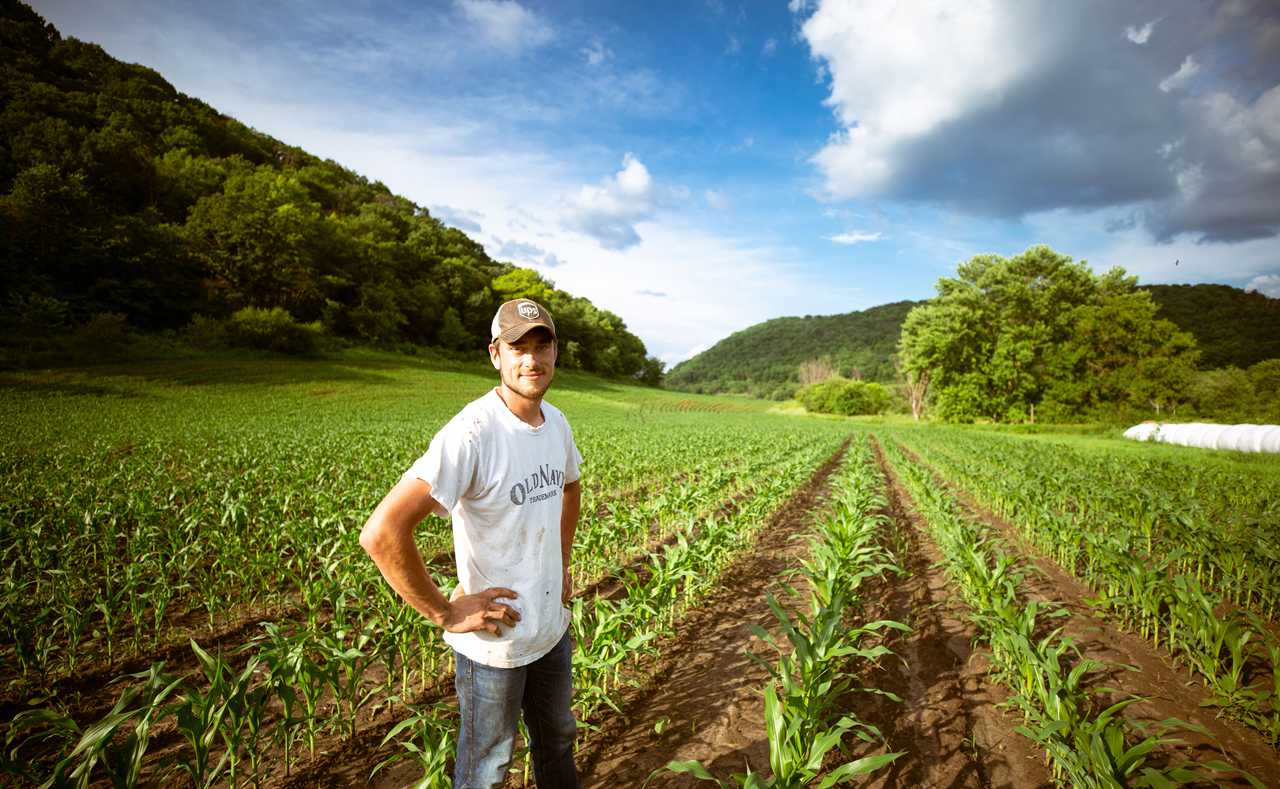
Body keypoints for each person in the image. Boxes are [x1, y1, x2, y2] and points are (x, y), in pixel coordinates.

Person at [360, 298, 582, 789]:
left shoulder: (557, 424)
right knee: (487, 769)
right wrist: (445, 612)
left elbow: (570, 487)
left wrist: (560, 563)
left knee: (558, 742)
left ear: (555, 351)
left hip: (550, 630)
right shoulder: (473, 433)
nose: (531, 359)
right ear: (495, 354)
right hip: (494, 646)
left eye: (541, 345)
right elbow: (382, 532)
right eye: (517, 347)